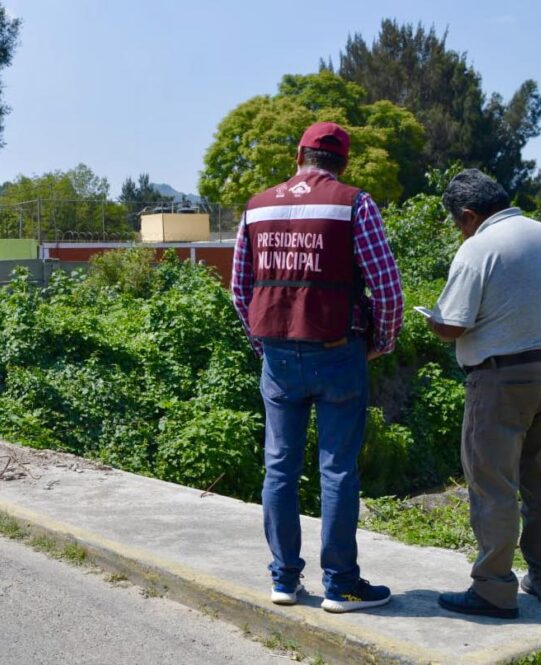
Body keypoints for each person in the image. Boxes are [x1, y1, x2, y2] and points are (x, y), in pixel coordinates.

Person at [232, 121, 404, 613]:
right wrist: (380, 344)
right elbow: (387, 289)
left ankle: (284, 580)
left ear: (299, 154)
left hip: (279, 353)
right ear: (342, 162)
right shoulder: (354, 203)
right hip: (338, 349)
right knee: (337, 469)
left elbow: (240, 289)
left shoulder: (257, 205)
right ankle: (341, 585)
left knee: (279, 467)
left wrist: (263, 345)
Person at [427, 169, 541, 619]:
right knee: (539, 478)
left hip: (502, 379)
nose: (459, 231)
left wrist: (431, 319)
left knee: (493, 485)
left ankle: (493, 588)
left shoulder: (479, 247)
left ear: (469, 215)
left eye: (458, 223)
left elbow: (452, 325)